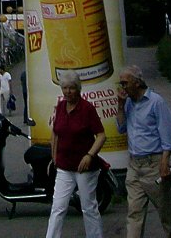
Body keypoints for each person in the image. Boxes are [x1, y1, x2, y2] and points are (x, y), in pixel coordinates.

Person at [116, 65, 171, 238]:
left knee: (165, 214)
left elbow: (167, 133)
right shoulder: (128, 102)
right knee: (134, 214)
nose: (122, 88)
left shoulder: (155, 102)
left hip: (154, 164)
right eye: (120, 84)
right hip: (135, 165)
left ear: (137, 83)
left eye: (124, 83)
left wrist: (165, 162)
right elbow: (121, 128)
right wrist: (120, 106)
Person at [45, 70, 106, 238]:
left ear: (78, 89)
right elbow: (55, 132)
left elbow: (101, 135)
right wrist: (54, 156)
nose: (67, 92)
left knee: (88, 207)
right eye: (64, 88)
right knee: (58, 206)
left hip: (84, 168)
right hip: (64, 166)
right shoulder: (60, 106)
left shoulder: (87, 109)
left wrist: (89, 155)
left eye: (71, 88)